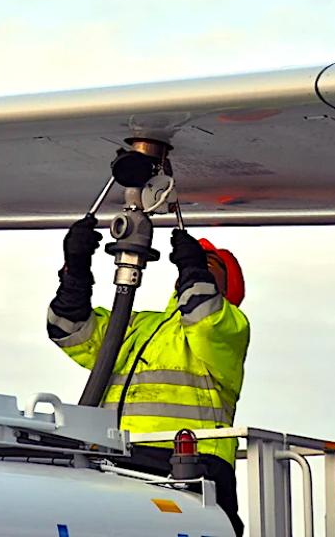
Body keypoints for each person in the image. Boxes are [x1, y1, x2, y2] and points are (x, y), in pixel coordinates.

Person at [47, 216, 250, 536]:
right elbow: (67, 329)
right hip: (116, 461)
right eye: (198, 263)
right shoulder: (138, 325)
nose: (198, 268)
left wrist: (194, 269)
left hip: (190, 467)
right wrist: (76, 272)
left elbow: (204, 315)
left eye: (210, 264)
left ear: (228, 287)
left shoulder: (230, 326)